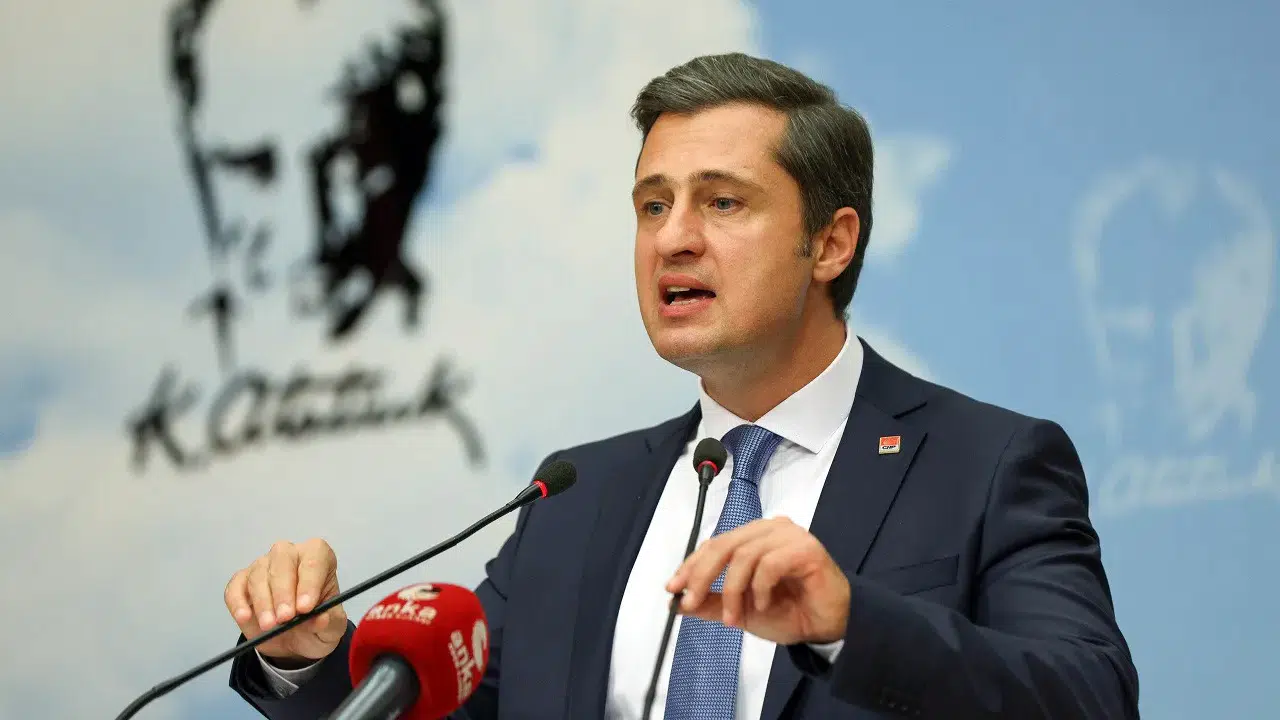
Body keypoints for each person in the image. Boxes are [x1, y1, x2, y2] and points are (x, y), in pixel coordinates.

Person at [224, 52, 1140, 719]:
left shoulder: (986, 464)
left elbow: (1090, 697)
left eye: (722, 201)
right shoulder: (575, 496)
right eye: (653, 204)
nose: (672, 238)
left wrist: (850, 623)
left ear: (830, 242)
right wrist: (315, 658)